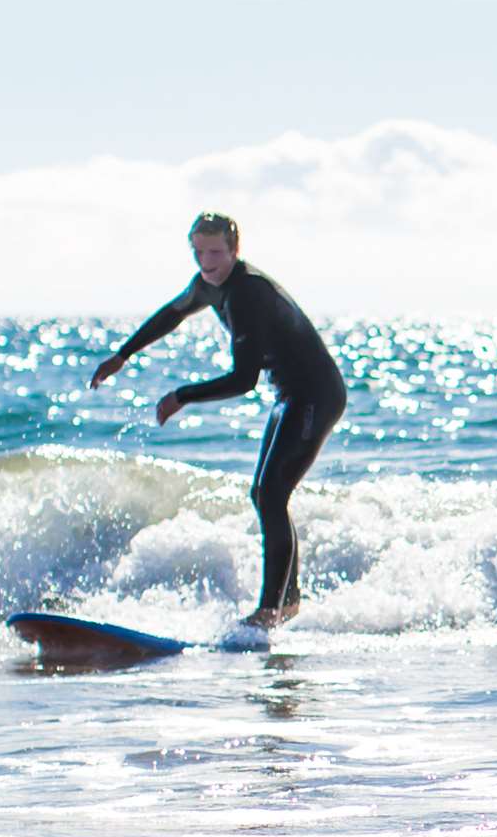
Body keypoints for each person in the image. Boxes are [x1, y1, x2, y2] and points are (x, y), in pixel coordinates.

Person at [90, 213, 347, 634]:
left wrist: (182, 395)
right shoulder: (209, 284)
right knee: (265, 494)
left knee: (270, 494)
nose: (205, 261)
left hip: (315, 393)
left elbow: (244, 381)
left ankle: (270, 612)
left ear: (234, 251)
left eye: (214, 252)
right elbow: (172, 314)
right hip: (291, 393)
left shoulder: (247, 293)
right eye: (198, 251)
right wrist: (123, 354)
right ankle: (288, 601)